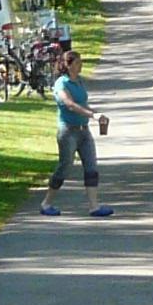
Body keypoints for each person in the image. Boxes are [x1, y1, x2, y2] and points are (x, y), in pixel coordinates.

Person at [45, 43, 108, 218]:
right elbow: (70, 105)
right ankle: (46, 203)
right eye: (78, 63)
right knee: (65, 167)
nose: (81, 66)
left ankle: (94, 207)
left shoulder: (79, 81)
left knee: (91, 167)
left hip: (83, 131)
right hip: (68, 131)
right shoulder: (61, 84)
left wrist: (97, 114)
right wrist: (91, 115)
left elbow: (83, 103)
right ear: (69, 64)